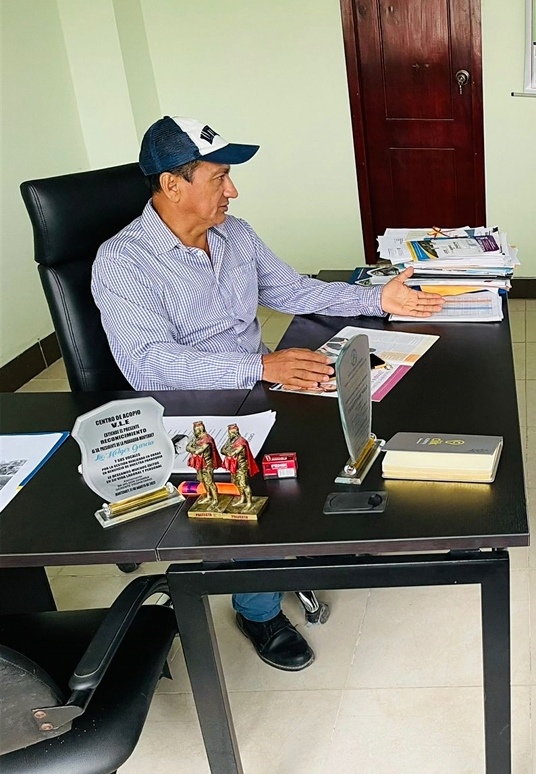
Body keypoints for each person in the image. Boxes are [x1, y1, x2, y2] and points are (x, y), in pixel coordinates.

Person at [93, 115, 444, 672]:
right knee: (260, 488)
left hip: (258, 390)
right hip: (190, 411)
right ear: (172, 185)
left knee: (359, 407)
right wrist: (259, 366)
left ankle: (315, 544)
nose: (232, 191)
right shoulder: (123, 261)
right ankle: (258, 611)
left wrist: (379, 300)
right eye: (219, 178)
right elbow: (147, 365)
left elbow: (293, 290)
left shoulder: (235, 235)